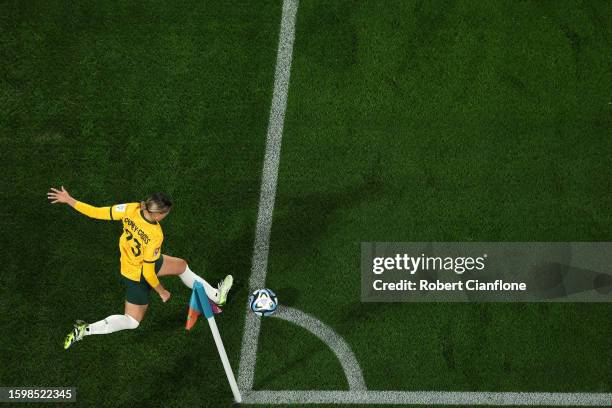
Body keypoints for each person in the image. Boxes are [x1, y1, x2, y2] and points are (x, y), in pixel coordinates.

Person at [47, 186, 233, 349]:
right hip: (140, 272)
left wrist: (69, 200)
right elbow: (148, 272)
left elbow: (96, 212)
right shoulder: (155, 234)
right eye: (166, 213)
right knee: (133, 321)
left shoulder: (132, 208)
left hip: (130, 266)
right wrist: (161, 291)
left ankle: (217, 295)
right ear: (158, 214)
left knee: (181, 266)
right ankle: (85, 330)